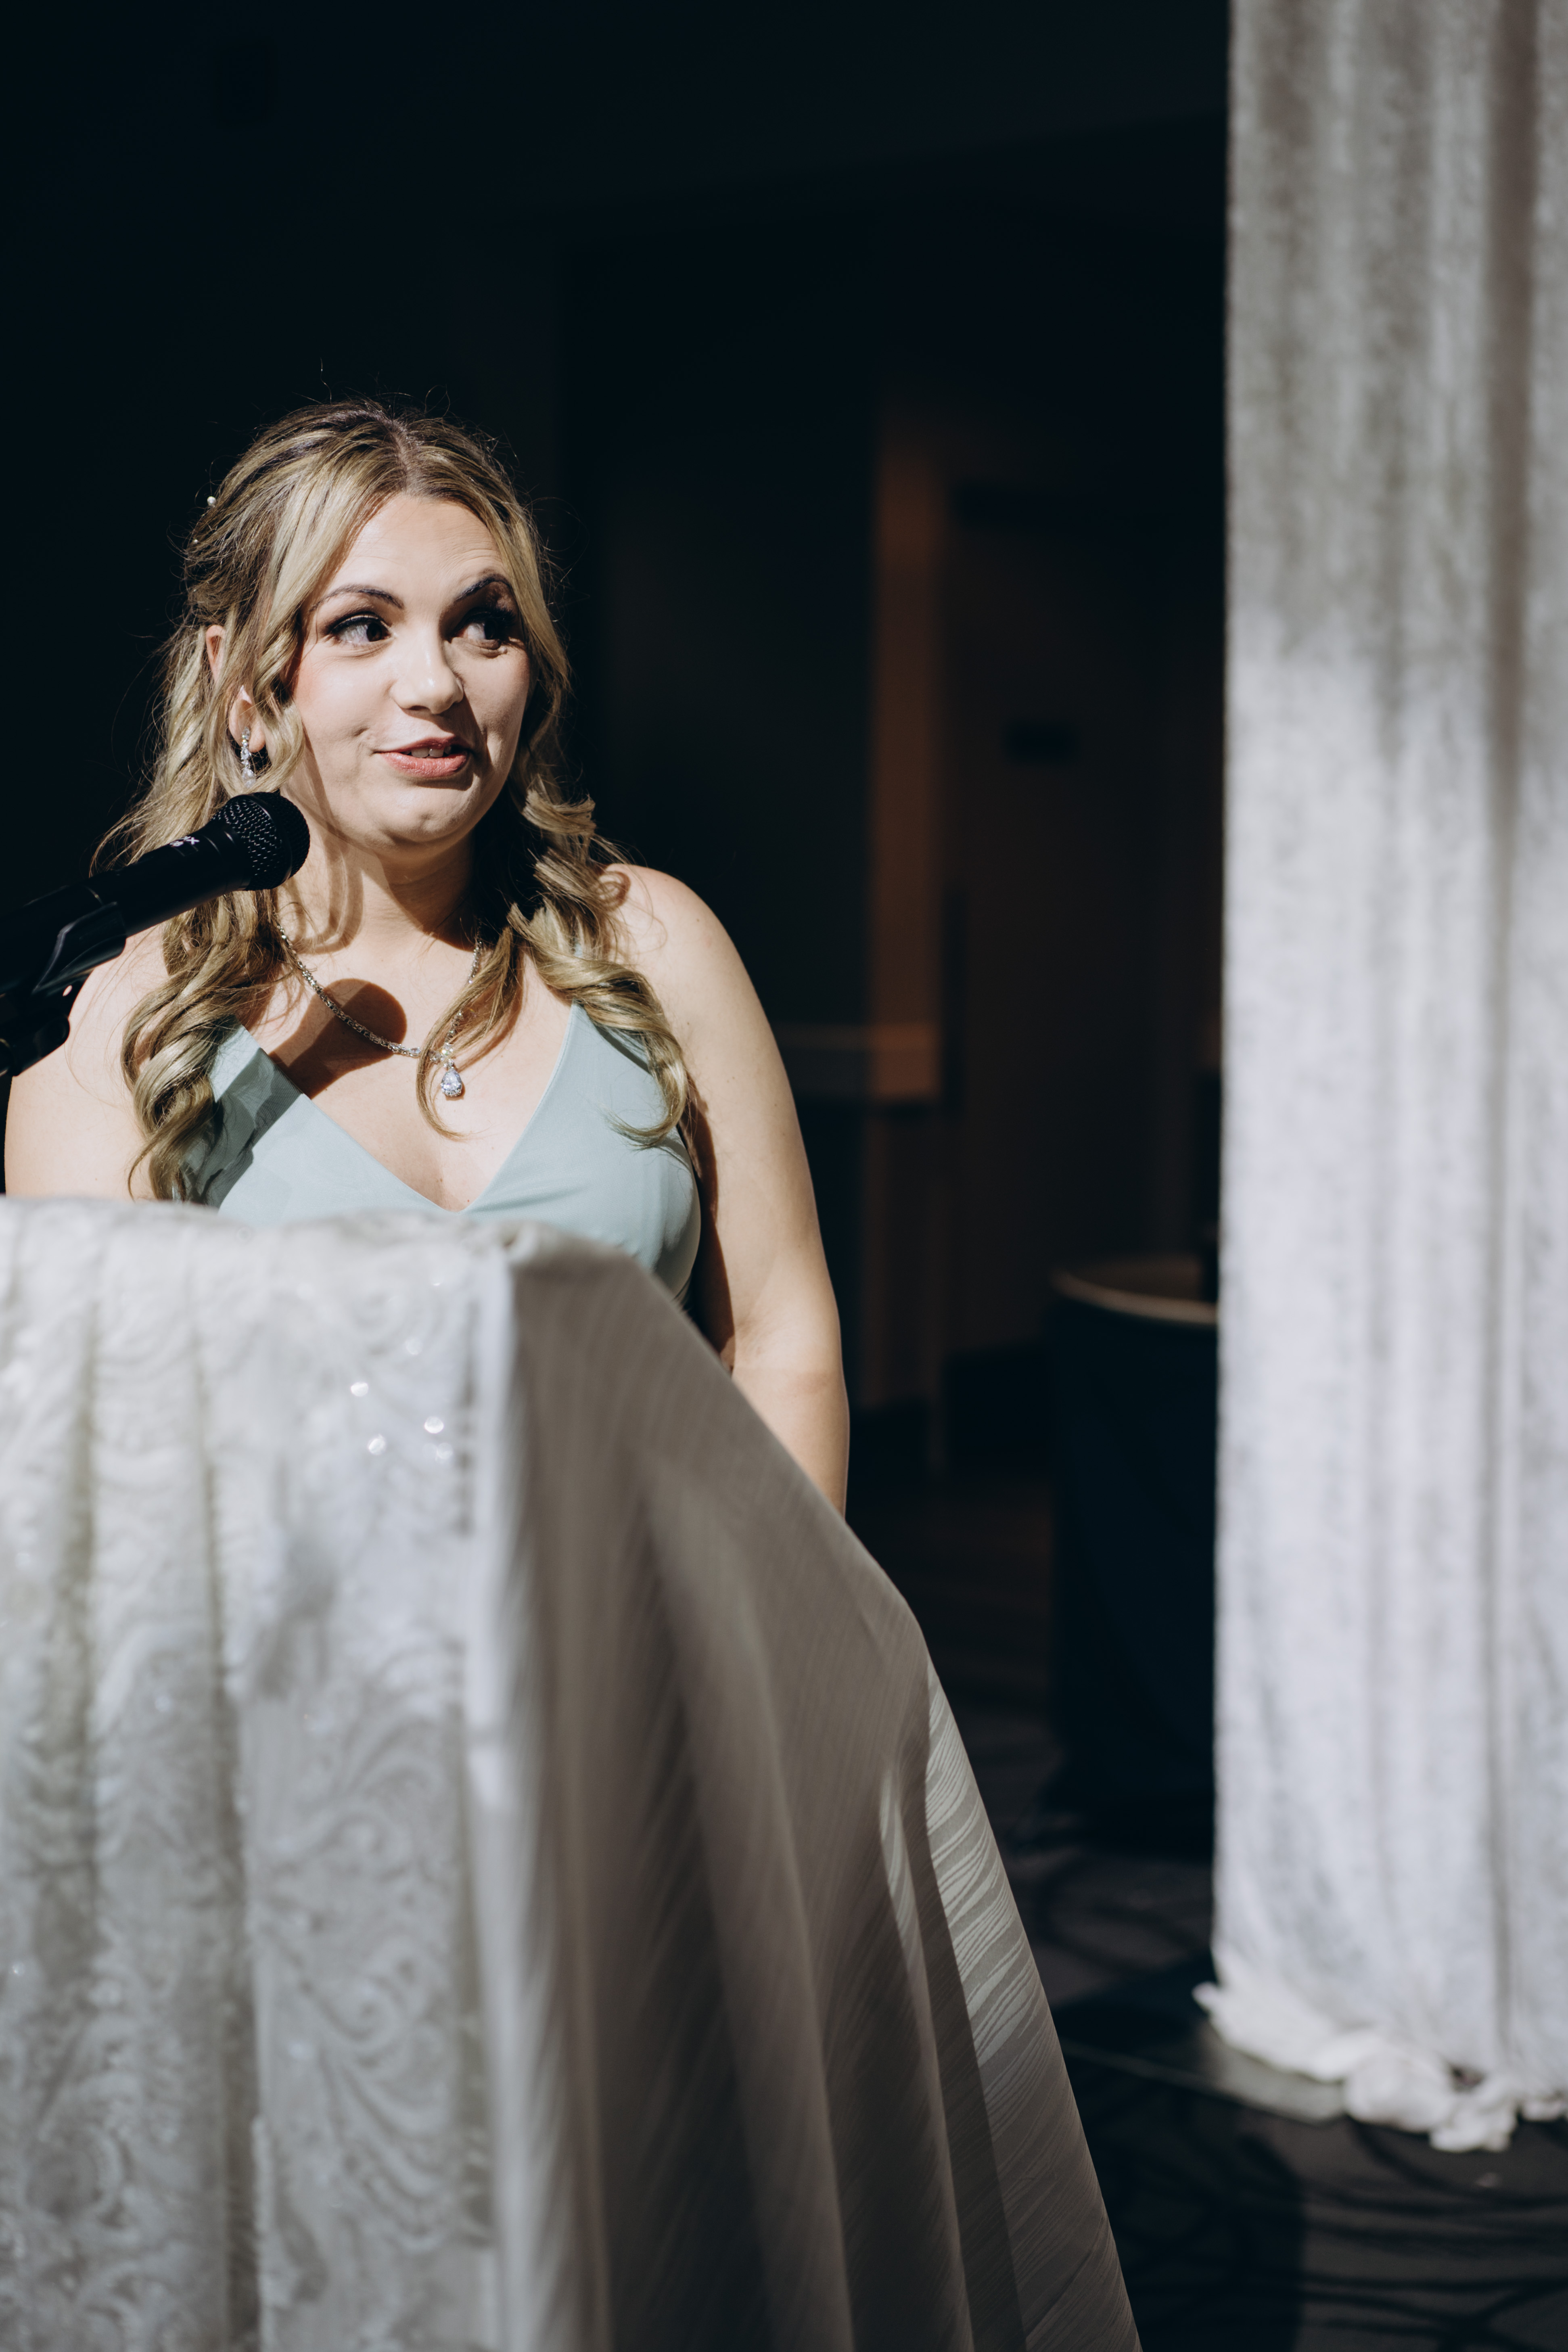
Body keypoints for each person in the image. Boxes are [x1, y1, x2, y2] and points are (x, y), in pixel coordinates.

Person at [6, 401, 849, 1508]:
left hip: (646, 1611)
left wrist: (768, 1616)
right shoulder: (124, 1015)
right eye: (363, 626)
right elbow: (104, 1467)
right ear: (245, 685)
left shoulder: (651, 943)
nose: (440, 684)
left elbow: (784, 1348)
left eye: (484, 625)